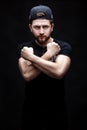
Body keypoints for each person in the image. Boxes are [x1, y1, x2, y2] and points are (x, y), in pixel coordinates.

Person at [17, 5, 72, 130]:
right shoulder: (24, 49)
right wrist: (49, 54)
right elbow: (27, 75)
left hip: (57, 115)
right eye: (37, 27)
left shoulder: (63, 47)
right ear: (30, 27)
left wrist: (31, 58)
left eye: (45, 26)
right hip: (30, 115)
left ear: (52, 27)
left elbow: (58, 72)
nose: (41, 31)